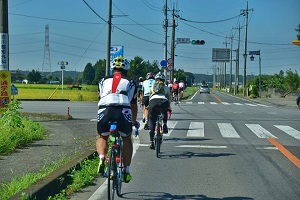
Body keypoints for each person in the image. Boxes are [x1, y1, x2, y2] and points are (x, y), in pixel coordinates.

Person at [96, 56, 139, 183]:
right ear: (127, 70)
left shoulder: (102, 81)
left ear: (112, 69)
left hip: (105, 109)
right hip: (123, 110)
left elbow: (100, 97)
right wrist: (133, 122)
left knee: (103, 137)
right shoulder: (131, 82)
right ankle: (126, 171)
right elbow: (133, 104)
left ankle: (102, 158)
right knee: (126, 139)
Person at [148, 72, 171, 149]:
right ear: (164, 80)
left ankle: (151, 141)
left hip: (153, 102)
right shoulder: (166, 88)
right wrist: (169, 108)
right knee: (164, 111)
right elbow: (168, 98)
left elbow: (149, 97)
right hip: (163, 102)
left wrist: (149, 106)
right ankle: (164, 124)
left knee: (152, 120)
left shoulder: (152, 87)